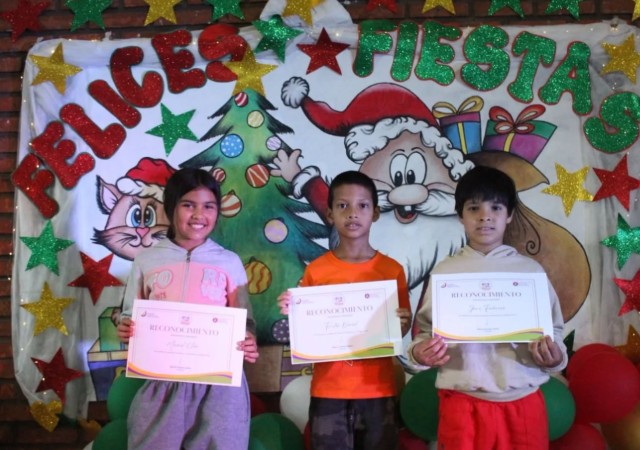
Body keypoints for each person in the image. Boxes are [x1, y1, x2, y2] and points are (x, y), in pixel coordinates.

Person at [408, 165, 567, 450]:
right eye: (473, 208)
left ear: (509, 215)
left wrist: (554, 356)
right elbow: (426, 334)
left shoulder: (530, 272)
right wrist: (420, 352)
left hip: (523, 402)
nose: (485, 216)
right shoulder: (445, 273)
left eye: (496, 207)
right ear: (460, 216)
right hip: (462, 404)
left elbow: (553, 330)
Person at [116, 167, 259, 450]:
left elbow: (245, 321)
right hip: (162, 380)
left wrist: (249, 339)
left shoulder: (228, 262)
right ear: (171, 208)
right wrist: (126, 327)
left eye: (209, 206)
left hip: (219, 386)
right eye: (188, 205)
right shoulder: (147, 260)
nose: (198, 215)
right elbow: (130, 313)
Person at [278, 170, 413, 450]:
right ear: (330, 214)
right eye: (343, 205)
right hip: (329, 389)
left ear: (375, 213)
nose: (352, 213)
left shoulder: (391, 270)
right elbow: (308, 329)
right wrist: (293, 310)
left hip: (378, 388)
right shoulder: (316, 271)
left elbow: (399, 329)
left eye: (362, 205)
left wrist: (402, 323)